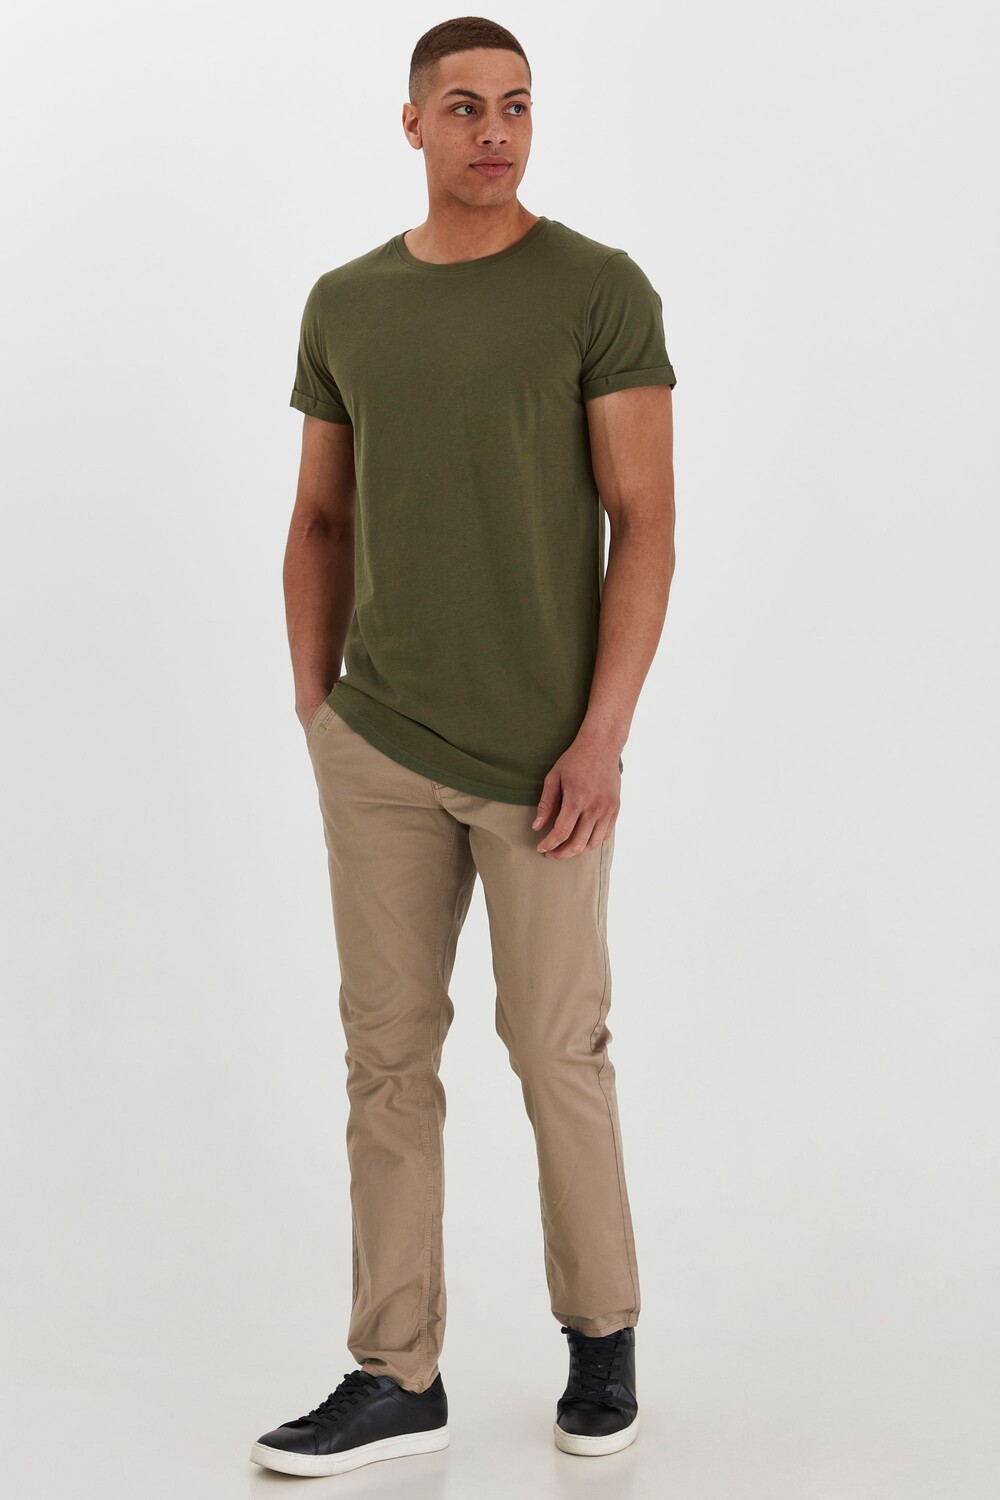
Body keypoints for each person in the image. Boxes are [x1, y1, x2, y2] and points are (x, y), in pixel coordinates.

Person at [251, 14, 677, 1479]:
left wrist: (602, 737)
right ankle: (396, 1370)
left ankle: (602, 1339)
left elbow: (646, 522)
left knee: (556, 1049)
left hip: (546, 758)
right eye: (465, 107)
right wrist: (317, 709)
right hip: (377, 744)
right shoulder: (346, 302)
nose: (495, 131)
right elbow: (319, 516)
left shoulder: (599, 289)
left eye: (517, 106)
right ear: (414, 124)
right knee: (385, 1059)